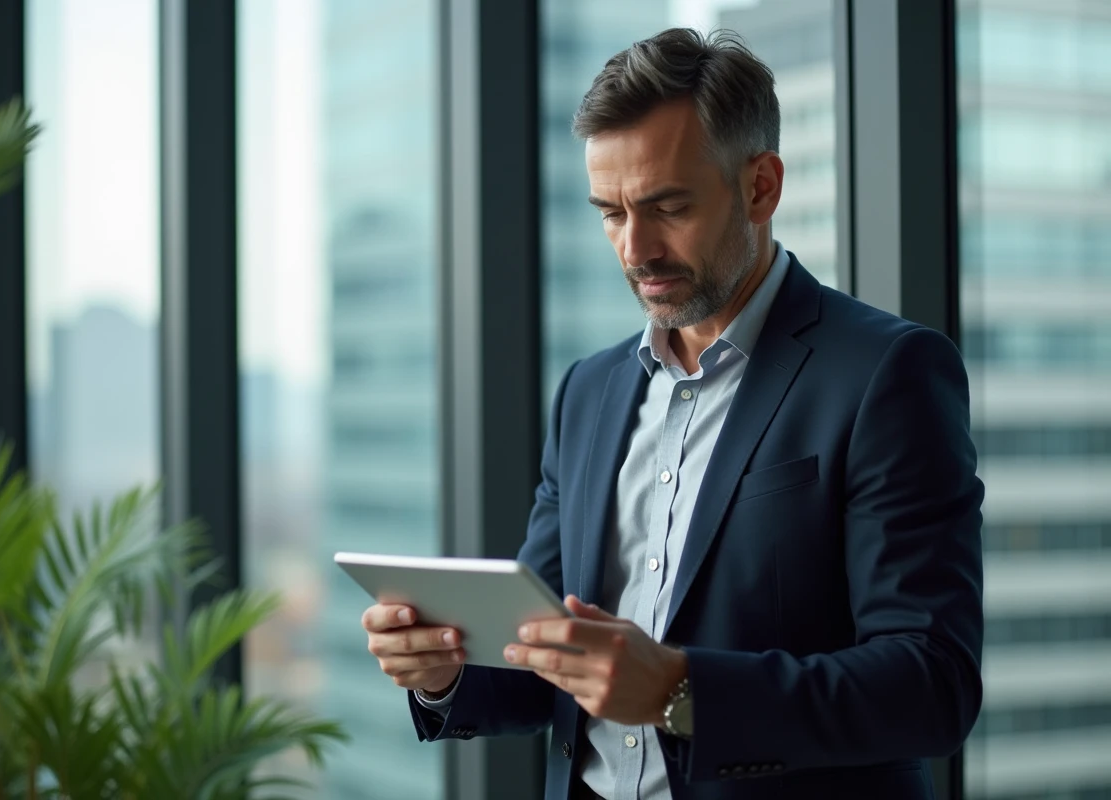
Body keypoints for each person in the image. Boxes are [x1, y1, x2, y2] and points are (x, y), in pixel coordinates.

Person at [360, 28, 983, 800]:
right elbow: (545, 660)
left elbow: (932, 684)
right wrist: (444, 671)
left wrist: (679, 693)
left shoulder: (886, 373)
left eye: (668, 206)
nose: (635, 248)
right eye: (611, 213)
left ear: (760, 188)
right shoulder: (588, 393)